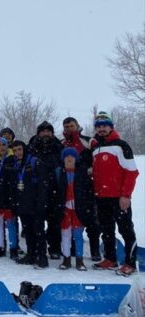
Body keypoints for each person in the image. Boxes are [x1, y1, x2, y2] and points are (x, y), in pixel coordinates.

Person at [90, 112, 139, 276]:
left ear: (111, 127)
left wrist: (125, 195)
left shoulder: (121, 145)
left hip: (119, 198)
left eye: (104, 125)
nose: (101, 129)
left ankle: (130, 263)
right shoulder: (96, 148)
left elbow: (131, 172)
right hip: (102, 197)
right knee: (107, 230)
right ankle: (110, 259)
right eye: (98, 126)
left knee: (126, 230)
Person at [60, 116, 100, 260]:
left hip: (87, 185)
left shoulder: (89, 141)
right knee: (68, 219)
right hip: (69, 185)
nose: (69, 129)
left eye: (71, 126)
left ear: (77, 126)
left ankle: (95, 250)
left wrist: (90, 170)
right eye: (66, 127)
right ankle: (69, 250)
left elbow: (98, 158)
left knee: (91, 220)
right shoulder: (62, 143)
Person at [28, 121, 64, 259]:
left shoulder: (59, 147)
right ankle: (38, 248)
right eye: (42, 131)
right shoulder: (31, 147)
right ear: (38, 133)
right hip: (37, 190)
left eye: (48, 131)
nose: (45, 133)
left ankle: (54, 248)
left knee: (55, 222)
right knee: (37, 221)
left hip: (55, 189)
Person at [11, 141, 49, 269]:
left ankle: (42, 257)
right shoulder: (16, 163)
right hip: (23, 203)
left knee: (38, 231)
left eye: (19, 149)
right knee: (28, 231)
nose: (17, 152)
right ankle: (31, 254)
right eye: (15, 150)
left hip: (35, 203)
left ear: (24, 149)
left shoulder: (34, 161)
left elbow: (43, 183)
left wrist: (41, 202)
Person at [56, 148, 94, 271]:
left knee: (78, 235)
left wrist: (87, 206)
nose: (69, 158)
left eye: (72, 156)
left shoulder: (82, 172)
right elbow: (55, 191)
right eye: (66, 156)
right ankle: (66, 259)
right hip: (65, 209)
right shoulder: (59, 172)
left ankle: (79, 259)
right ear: (63, 159)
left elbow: (89, 191)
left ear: (76, 158)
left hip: (79, 209)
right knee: (65, 235)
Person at [0, 137, 18, 258]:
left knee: (11, 225)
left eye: (4, 145)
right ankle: (0, 247)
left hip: (9, 198)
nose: (2, 147)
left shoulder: (12, 160)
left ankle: (13, 249)